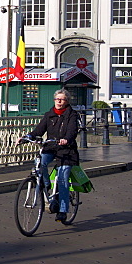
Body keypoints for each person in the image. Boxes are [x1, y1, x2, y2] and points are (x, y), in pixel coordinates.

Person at [23, 89, 80, 223]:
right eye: (57, 99)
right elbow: (39, 130)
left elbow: (72, 131)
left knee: (62, 179)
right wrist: (27, 137)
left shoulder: (72, 115)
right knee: (39, 162)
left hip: (66, 150)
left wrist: (67, 139)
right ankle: (46, 184)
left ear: (66, 102)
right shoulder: (49, 114)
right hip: (51, 146)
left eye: (62, 100)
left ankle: (63, 210)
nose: (59, 102)